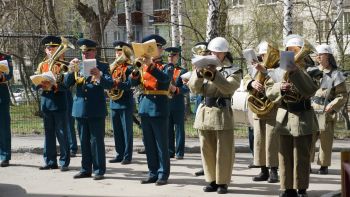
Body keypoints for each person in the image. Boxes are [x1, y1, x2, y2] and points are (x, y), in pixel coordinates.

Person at [265, 35, 319, 197]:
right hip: (285, 115)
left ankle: (301, 188)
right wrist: (280, 87)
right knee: (284, 155)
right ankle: (287, 188)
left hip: (303, 116)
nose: (293, 53)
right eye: (289, 51)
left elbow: (310, 89)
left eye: (296, 50)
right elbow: (268, 90)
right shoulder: (278, 70)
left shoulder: (313, 70)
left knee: (302, 155)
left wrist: (295, 72)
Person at [189, 37, 241, 194]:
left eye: (217, 53)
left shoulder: (233, 70)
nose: (214, 55)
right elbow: (193, 88)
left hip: (222, 113)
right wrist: (198, 74)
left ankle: (223, 182)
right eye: (212, 52)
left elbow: (229, 88)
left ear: (224, 53)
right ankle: (211, 180)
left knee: (223, 151)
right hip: (205, 113)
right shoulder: (203, 65)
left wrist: (215, 75)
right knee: (207, 149)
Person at [65, 38, 114, 180]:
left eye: (88, 52)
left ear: (94, 52)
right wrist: (69, 71)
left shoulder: (103, 66)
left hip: (96, 109)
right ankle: (85, 169)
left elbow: (109, 84)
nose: (85, 55)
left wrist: (98, 75)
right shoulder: (77, 66)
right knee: (84, 141)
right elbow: (67, 84)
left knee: (96, 141)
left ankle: (99, 170)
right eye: (83, 52)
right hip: (80, 109)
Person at [131, 34, 173, 186]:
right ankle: (152, 172)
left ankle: (163, 173)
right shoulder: (142, 66)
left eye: (156, 48)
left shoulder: (166, 66)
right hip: (145, 107)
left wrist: (150, 65)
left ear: (160, 50)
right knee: (149, 144)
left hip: (159, 107)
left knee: (161, 144)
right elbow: (132, 83)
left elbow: (164, 79)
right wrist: (135, 72)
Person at [243, 41, 279, 183]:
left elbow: (278, 81)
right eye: (262, 55)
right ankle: (263, 170)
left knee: (272, 141)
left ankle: (274, 170)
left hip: (272, 109)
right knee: (259, 141)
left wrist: (265, 76)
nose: (264, 57)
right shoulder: (255, 67)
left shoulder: (277, 69)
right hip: (257, 110)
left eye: (266, 54)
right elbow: (246, 78)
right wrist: (251, 83)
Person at [310, 44, 348, 175]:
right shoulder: (313, 71)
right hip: (311, 109)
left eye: (320, 54)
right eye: (317, 55)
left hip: (325, 110)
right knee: (309, 138)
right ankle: (306, 163)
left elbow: (342, 95)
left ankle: (323, 165)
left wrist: (332, 105)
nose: (318, 57)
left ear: (328, 55)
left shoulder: (336, 74)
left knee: (325, 139)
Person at [35, 36, 70, 172]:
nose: (50, 50)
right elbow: (36, 83)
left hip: (59, 102)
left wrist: (55, 84)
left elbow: (67, 85)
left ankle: (64, 162)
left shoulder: (62, 65)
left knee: (62, 134)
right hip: (46, 103)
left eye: (53, 48)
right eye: (48, 48)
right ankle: (50, 161)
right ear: (45, 50)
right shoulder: (42, 65)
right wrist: (39, 83)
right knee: (48, 134)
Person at [108, 41, 134, 165]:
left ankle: (127, 156)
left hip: (125, 102)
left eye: (120, 51)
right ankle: (119, 154)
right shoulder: (113, 67)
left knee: (126, 131)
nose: (117, 53)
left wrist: (118, 83)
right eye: (117, 51)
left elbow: (129, 85)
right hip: (114, 102)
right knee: (117, 130)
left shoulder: (130, 68)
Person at [165, 47, 189, 160]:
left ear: (177, 57)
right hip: (166, 103)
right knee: (168, 129)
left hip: (177, 103)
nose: (171, 57)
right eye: (169, 56)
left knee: (179, 129)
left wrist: (176, 89)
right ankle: (170, 151)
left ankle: (179, 153)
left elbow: (187, 87)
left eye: (173, 56)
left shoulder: (182, 71)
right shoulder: (163, 69)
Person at [191, 41, 210, 177]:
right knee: (202, 137)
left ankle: (212, 167)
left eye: (204, 53)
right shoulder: (197, 66)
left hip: (211, 99)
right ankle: (205, 166)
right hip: (201, 100)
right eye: (200, 53)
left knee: (211, 138)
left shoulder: (211, 66)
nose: (202, 55)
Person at [0, 52, 13, 167]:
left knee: (3, 128)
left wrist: (2, 76)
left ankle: (4, 156)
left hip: (1, 94)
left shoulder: (5, 57)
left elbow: (10, 75)